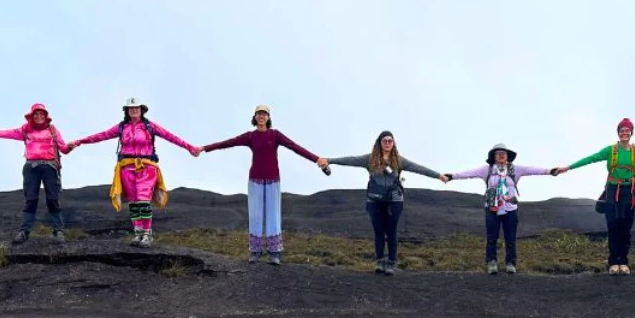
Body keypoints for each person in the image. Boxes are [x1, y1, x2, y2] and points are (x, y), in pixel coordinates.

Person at [551, 118, 635, 275]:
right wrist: (567, 168)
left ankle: (623, 262)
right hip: (612, 191)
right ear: (618, 133)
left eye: (627, 130)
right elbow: (590, 159)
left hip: (629, 193)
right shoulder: (610, 151)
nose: (624, 133)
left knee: (625, 227)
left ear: (631, 133)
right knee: (612, 227)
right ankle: (613, 263)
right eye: (621, 130)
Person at [200, 105, 324, 265]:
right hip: (255, 180)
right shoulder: (250, 136)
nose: (261, 116)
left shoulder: (275, 135)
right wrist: (205, 148)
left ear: (268, 117)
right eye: (259, 114)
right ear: (255, 117)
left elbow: (295, 147)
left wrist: (316, 159)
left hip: (273, 180)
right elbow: (228, 143)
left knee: (273, 215)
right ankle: (255, 251)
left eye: (264, 114)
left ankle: (274, 253)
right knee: (255, 216)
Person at [69, 97, 200, 248]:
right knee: (134, 202)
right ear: (127, 111)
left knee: (143, 200)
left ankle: (147, 234)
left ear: (142, 110)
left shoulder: (150, 126)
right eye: (131, 108)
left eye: (137, 107)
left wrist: (189, 147)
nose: (134, 110)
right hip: (126, 167)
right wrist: (79, 141)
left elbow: (170, 136)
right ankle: (138, 234)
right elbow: (101, 135)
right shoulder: (121, 127)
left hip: (147, 167)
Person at [317, 131, 445, 275]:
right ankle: (379, 262)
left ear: (393, 143)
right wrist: (329, 160)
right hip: (374, 200)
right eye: (385, 141)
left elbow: (419, 168)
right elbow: (350, 160)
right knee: (379, 232)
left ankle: (391, 263)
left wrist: (438, 176)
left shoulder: (399, 161)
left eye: (390, 141)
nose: (388, 143)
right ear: (379, 142)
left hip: (394, 201)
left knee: (391, 232)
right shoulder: (369, 159)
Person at [0, 103, 72, 244]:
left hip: (50, 167)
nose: (39, 116)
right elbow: (6, 133)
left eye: (42, 114)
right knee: (31, 199)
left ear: (46, 116)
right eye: (36, 114)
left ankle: (58, 231)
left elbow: (63, 148)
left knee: (52, 199)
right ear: (32, 116)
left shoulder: (52, 130)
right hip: (31, 167)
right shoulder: (25, 130)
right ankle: (24, 232)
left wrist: (70, 147)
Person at [444, 144, 553, 274]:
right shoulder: (487, 170)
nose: (501, 155)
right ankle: (491, 263)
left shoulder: (515, 169)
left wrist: (550, 171)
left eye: (504, 153)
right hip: (492, 208)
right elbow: (469, 173)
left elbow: (533, 170)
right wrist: (452, 176)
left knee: (510, 237)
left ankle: (510, 263)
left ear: (507, 156)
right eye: (498, 153)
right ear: (494, 156)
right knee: (491, 237)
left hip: (510, 208)